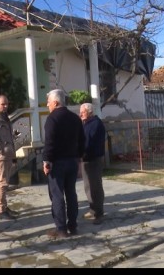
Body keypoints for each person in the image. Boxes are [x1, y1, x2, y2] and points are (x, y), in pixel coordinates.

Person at [42, 89, 85, 239]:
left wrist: (46, 161)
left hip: (58, 163)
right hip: (72, 161)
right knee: (71, 193)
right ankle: (73, 225)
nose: (47, 105)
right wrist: (79, 157)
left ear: (55, 102)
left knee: (57, 195)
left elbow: (49, 142)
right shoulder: (75, 118)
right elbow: (82, 141)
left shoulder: (52, 119)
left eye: (48, 102)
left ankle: (61, 229)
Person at [79, 103, 106, 225]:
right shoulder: (86, 123)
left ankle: (99, 213)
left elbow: (88, 143)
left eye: (82, 112)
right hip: (86, 159)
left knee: (95, 187)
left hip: (94, 159)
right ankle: (92, 209)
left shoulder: (95, 124)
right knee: (88, 186)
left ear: (89, 112)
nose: (80, 114)